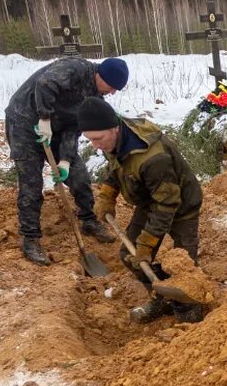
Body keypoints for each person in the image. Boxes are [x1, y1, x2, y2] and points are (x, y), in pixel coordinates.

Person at [79, 97, 205, 324]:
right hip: (149, 201)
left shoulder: (153, 158)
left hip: (181, 205)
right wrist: (108, 194)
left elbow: (167, 204)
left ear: (115, 127)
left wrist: (147, 244)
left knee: (184, 262)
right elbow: (117, 166)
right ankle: (161, 296)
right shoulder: (114, 140)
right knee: (129, 256)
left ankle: (189, 308)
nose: (95, 145)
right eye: (90, 140)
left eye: (98, 139)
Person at [4, 56, 128, 265]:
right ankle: (30, 238)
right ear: (101, 76)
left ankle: (88, 220)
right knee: (31, 183)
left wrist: (65, 161)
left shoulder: (94, 100)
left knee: (79, 176)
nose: (113, 92)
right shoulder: (75, 69)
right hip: (25, 123)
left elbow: (74, 128)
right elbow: (45, 84)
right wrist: (44, 118)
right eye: (113, 86)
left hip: (57, 130)